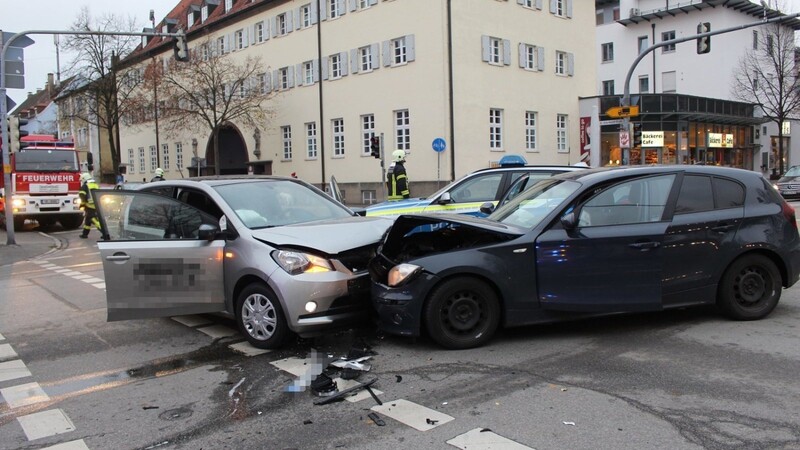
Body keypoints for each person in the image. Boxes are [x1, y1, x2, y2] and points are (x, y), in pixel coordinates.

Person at [78, 173, 104, 239]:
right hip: (97, 205)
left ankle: (104, 232)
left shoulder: (85, 186)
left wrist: (82, 204)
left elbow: (82, 195)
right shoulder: (95, 184)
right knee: (87, 220)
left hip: (89, 206)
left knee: (94, 220)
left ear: (84, 179)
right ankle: (84, 234)